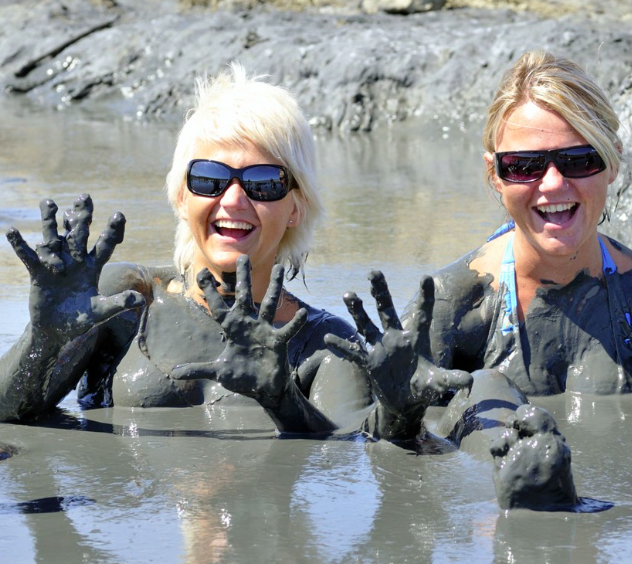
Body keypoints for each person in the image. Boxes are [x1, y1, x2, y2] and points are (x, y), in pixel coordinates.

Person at [324, 51, 632, 509]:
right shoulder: (454, 300)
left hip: (630, 491)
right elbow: (376, 437)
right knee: (487, 386)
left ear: (612, 160)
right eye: (525, 166)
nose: (552, 184)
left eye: (577, 160)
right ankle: (531, 488)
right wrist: (397, 413)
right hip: (497, 472)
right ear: (495, 175)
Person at [0, 64, 379, 434]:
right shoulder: (128, 300)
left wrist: (284, 401)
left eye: (262, 182)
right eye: (209, 179)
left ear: (296, 208)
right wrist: (44, 342)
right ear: (182, 197)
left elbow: (346, 456)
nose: (232, 201)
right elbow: (11, 414)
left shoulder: (328, 343)